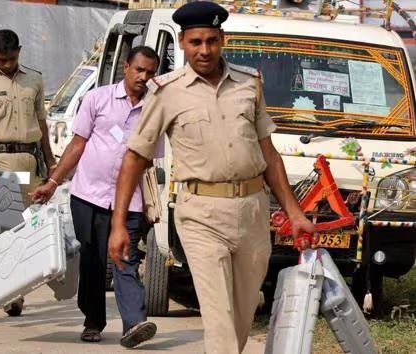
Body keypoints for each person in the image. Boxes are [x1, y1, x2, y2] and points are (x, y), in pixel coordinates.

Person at [107, 2, 316, 353]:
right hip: (200, 214)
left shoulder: (249, 85)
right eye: (195, 42)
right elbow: (134, 158)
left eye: (211, 41)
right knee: (219, 319)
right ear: (182, 42)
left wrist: (294, 213)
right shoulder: (165, 91)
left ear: (223, 39)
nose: (204, 50)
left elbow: (268, 154)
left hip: (252, 213)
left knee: (242, 317)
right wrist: (117, 224)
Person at [30, 46, 160, 348]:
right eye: (139, 69)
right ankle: (93, 320)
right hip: (88, 196)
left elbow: (152, 158)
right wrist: (52, 182)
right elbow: (77, 145)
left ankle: (134, 323)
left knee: (125, 259)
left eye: (150, 72)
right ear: (126, 66)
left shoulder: (155, 109)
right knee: (92, 261)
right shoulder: (97, 98)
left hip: (129, 201)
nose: (144, 77)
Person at [0, 29, 57, 316]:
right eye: (2, 59)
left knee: (30, 226)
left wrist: (50, 162)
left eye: (11, 58)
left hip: (30, 162)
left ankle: (20, 288)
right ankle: (10, 291)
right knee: (4, 232)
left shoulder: (34, 79)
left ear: (19, 51)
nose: (7, 64)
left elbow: (42, 124)